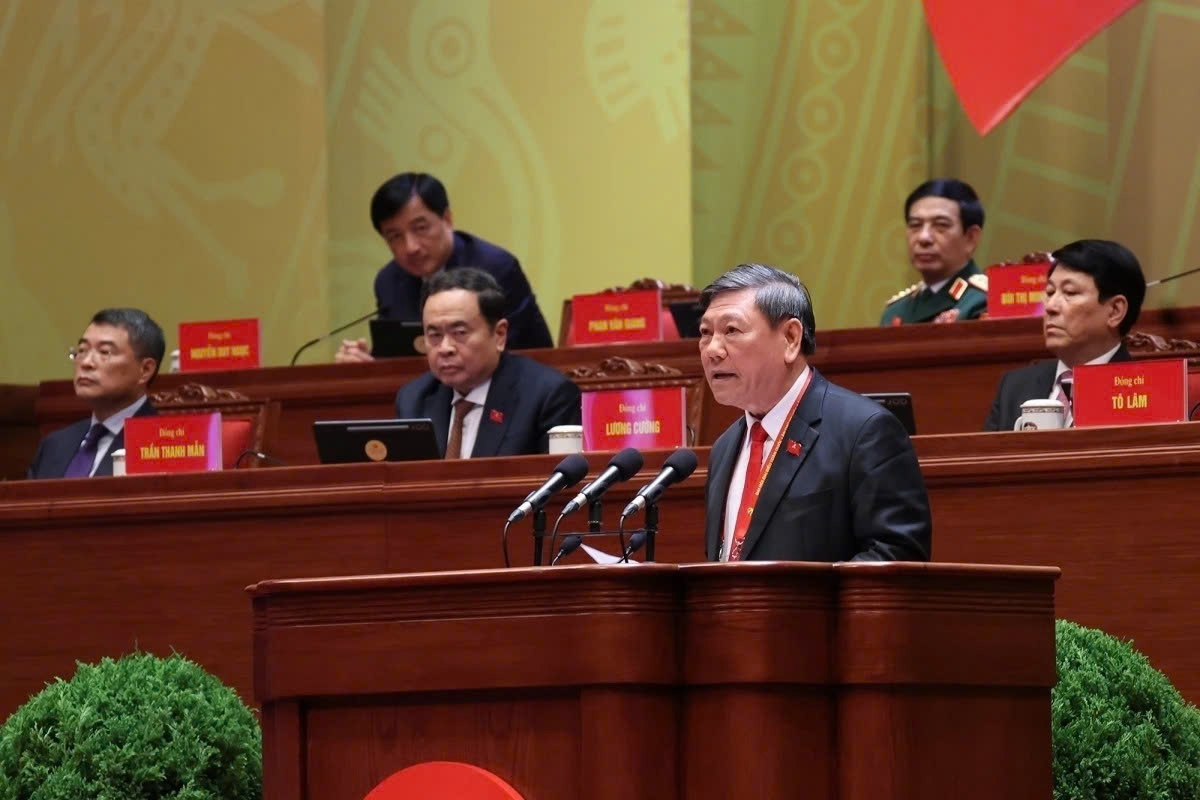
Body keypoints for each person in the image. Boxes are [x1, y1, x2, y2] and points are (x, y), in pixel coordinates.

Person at [701, 264, 932, 562]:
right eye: (705, 333)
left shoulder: (865, 432)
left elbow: (897, 557)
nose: (712, 350)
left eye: (731, 330)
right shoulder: (724, 448)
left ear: (791, 338)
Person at [336, 172, 553, 362]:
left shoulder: (495, 268)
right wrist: (366, 364)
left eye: (420, 228)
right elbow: (399, 356)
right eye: (395, 236)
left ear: (447, 219)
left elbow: (524, 353)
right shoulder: (390, 281)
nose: (410, 247)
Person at [395, 267, 580, 458]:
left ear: (499, 334)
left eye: (459, 333)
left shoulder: (547, 396)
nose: (445, 348)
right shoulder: (414, 398)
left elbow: (556, 483)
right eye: (434, 335)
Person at [984, 239, 1146, 431]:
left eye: (1069, 292)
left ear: (1115, 311)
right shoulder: (1014, 387)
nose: (1050, 306)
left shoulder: (1143, 392)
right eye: (1050, 292)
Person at [27, 308, 165, 479]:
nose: (86, 362)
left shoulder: (164, 445)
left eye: (104, 352)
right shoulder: (55, 445)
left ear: (145, 370)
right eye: (82, 350)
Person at [880, 178, 988, 325]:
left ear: (970, 238)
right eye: (915, 225)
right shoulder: (895, 311)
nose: (924, 238)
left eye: (940, 225)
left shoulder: (985, 302)